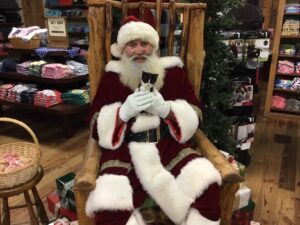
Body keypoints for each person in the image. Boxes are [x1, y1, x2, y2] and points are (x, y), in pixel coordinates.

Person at [85, 15, 222, 225]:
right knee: (110, 208)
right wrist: (122, 113)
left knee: (206, 186)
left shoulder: (174, 74)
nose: (139, 50)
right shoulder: (111, 79)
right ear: (123, 49)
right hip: (123, 151)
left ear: (154, 47)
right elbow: (94, 122)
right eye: (132, 44)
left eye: (145, 44)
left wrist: (167, 110)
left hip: (168, 146)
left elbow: (197, 113)